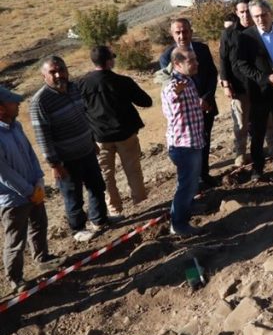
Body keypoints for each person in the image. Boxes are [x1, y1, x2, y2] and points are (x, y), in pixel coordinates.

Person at [30, 56, 110, 243]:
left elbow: (84, 117)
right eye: (53, 72)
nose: (59, 75)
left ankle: (100, 220)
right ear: (44, 76)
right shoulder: (40, 101)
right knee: (73, 195)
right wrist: (54, 164)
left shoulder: (74, 88)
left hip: (87, 150)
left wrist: (91, 141)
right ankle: (78, 229)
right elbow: (43, 137)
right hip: (65, 159)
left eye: (62, 70)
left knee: (97, 186)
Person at [78, 45, 151, 218]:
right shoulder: (123, 81)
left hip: (99, 137)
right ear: (110, 61)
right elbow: (146, 101)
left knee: (106, 175)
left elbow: (78, 110)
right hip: (125, 135)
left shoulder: (81, 84)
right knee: (133, 170)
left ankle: (114, 210)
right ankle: (141, 204)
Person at [1, 86, 60, 293]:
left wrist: (39, 180)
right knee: (16, 240)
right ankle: (15, 279)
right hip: (13, 199)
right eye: (12, 102)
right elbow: (4, 174)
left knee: (39, 225)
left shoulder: (16, 126)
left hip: (33, 190)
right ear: (1, 109)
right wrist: (28, 191)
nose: (18, 104)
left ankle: (42, 258)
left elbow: (30, 154)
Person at [234, 0, 273, 181]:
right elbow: (242, 65)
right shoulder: (246, 37)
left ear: (270, 13)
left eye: (263, 15)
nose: (260, 19)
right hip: (259, 91)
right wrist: (265, 78)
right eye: (256, 16)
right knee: (259, 131)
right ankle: (258, 168)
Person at [159, 18, 219, 188]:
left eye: (185, 31)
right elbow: (171, 86)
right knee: (190, 148)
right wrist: (195, 101)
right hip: (185, 113)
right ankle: (193, 182)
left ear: (191, 32)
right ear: (172, 35)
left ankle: (204, 174)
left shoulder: (202, 49)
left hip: (206, 106)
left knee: (205, 141)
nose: (182, 35)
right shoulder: (167, 57)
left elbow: (212, 75)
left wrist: (206, 98)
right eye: (177, 32)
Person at [219, 0, 273, 167]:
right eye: (241, 12)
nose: (245, 15)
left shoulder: (260, 31)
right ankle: (241, 153)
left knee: (268, 118)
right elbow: (223, 60)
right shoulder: (229, 34)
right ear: (237, 13)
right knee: (241, 123)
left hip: (260, 83)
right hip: (239, 85)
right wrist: (225, 84)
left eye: (247, 12)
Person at [161, 49, 205, 236]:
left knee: (190, 184)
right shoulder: (174, 85)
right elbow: (172, 96)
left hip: (193, 142)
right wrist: (177, 93)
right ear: (177, 64)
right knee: (186, 186)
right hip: (184, 146)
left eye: (196, 59)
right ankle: (178, 224)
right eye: (191, 61)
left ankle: (184, 213)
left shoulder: (188, 81)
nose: (196, 63)